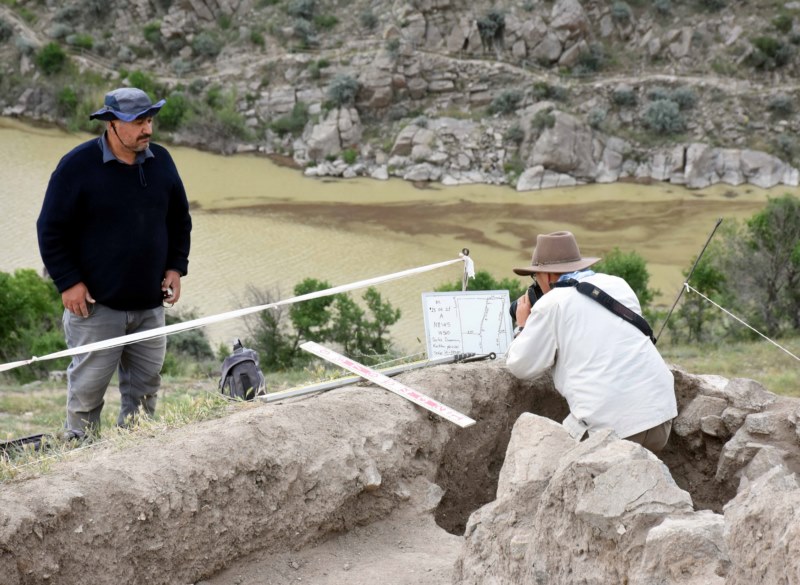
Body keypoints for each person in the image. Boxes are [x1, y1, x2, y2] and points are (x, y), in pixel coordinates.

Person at [36, 87, 192, 434]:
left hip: (150, 307)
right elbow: (50, 229)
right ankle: (80, 458)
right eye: (138, 122)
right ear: (112, 124)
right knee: (87, 395)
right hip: (95, 308)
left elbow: (180, 220)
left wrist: (175, 267)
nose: (147, 129)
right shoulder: (76, 166)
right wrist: (68, 282)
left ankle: (133, 454)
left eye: (149, 120)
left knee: (144, 392)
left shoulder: (162, 161)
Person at [505, 231, 677, 453]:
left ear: (547, 276)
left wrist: (523, 326)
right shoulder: (618, 285)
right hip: (660, 417)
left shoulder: (551, 305)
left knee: (554, 455)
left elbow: (521, 366)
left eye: (535, 277)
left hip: (611, 428)